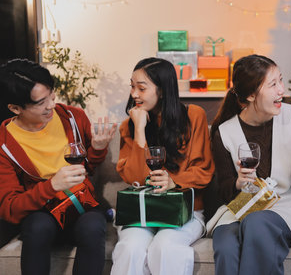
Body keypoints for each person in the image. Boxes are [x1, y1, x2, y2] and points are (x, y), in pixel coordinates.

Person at [206, 54, 291, 275]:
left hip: (289, 205)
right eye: (273, 84)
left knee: (257, 224)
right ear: (250, 95)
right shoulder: (224, 132)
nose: (282, 90)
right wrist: (238, 183)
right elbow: (223, 190)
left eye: (281, 81)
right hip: (243, 207)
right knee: (226, 245)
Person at [0, 58, 117, 275]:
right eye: (40, 102)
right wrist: (51, 186)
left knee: (93, 226)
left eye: (51, 95)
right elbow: (11, 208)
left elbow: (87, 167)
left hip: (82, 207)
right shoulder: (5, 144)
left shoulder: (73, 117)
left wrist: (98, 148)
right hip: (42, 214)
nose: (52, 105)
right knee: (37, 227)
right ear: (15, 108)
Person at [111, 57, 214, 275]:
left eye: (141, 88)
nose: (134, 94)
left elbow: (203, 170)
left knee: (165, 246)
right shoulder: (128, 127)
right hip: (143, 211)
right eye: (132, 87)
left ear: (163, 90)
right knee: (130, 248)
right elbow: (135, 178)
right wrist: (139, 130)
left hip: (185, 210)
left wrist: (175, 182)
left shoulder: (194, 116)